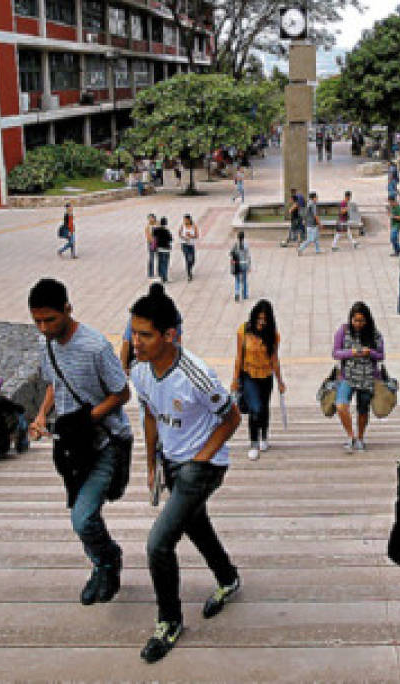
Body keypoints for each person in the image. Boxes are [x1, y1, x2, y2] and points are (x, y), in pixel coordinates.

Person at [130, 284, 242, 663]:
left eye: (145, 335)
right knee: (195, 525)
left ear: (169, 335)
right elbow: (148, 414)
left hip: (203, 466)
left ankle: (169, 621)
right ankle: (228, 577)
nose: (136, 342)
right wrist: (150, 465)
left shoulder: (196, 374)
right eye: (134, 333)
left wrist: (200, 459)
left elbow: (231, 418)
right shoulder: (141, 371)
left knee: (159, 543)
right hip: (171, 463)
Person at [26, 278, 133, 606]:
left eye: (50, 320)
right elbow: (54, 385)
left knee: (82, 516)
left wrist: (88, 420)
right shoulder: (47, 344)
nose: (44, 328)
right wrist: (42, 415)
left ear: (68, 310)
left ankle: (108, 558)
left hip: (104, 442)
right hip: (72, 445)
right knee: (82, 510)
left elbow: (122, 392)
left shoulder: (95, 346)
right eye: (38, 321)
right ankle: (101, 566)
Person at [231, 299, 285, 460]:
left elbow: (275, 359)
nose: (261, 322)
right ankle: (253, 442)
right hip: (249, 375)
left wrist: (280, 380)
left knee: (264, 408)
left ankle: (264, 436)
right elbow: (239, 357)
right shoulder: (243, 331)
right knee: (255, 408)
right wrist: (234, 379)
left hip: (266, 376)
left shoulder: (273, 335)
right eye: (259, 318)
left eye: (264, 319)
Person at [331, 301, 385, 452]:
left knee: (363, 409)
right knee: (341, 405)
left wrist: (370, 353)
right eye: (355, 320)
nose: (358, 324)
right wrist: (351, 353)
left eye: (361, 320)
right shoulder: (343, 331)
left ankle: (360, 437)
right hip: (347, 376)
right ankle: (351, 436)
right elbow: (335, 353)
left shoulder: (375, 334)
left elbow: (381, 355)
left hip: (367, 377)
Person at [229, 231, 251, 302]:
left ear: (238, 237)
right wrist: (249, 266)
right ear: (243, 237)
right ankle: (245, 294)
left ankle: (237, 293)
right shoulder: (246, 245)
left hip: (237, 265)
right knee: (244, 280)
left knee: (237, 280)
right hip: (244, 264)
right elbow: (248, 257)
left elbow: (231, 253)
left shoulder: (235, 245)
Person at [178, 214, 199, 282]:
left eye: (186, 220)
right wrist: (183, 237)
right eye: (184, 220)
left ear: (189, 219)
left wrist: (191, 236)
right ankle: (189, 273)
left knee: (192, 259)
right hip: (184, 244)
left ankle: (190, 267)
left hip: (191, 244)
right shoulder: (182, 226)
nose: (184, 221)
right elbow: (179, 234)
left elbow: (196, 235)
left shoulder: (194, 226)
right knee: (188, 258)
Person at [153, 217, 173, 284]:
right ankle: (165, 278)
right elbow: (171, 239)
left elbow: (154, 236)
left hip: (159, 249)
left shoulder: (156, 230)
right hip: (166, 249)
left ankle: (161, 276)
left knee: (160, 263)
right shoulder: (166, 231)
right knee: (165, 263)